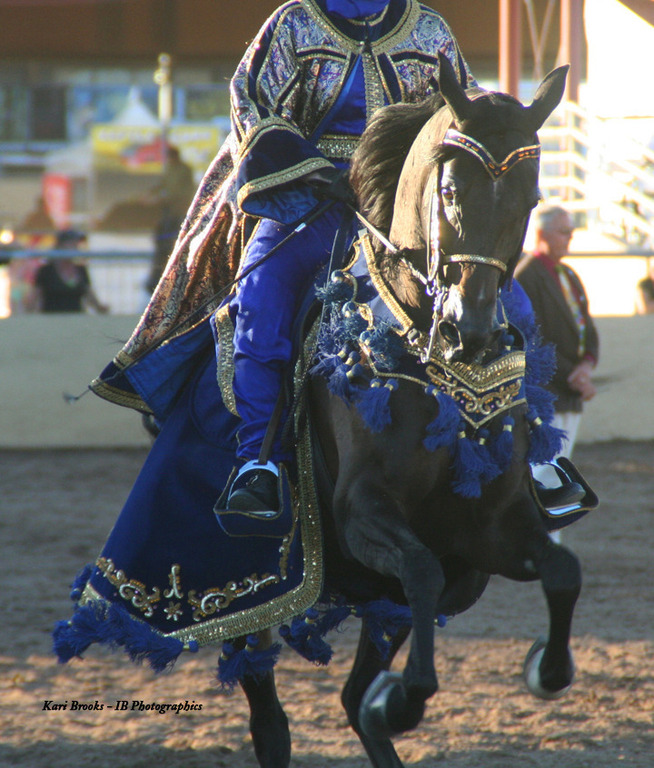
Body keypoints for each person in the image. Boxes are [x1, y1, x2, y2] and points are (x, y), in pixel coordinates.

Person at [516, 204, 599, 515]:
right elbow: (533, 337)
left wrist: (586, 365)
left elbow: (587, 329)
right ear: (542, 234)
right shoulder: (526, 275)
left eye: (571, 231)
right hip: (547, 394)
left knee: (561, 475)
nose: (570, 237)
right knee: (549, 478)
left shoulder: (568, 274)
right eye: (564, 232)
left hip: (570, 392)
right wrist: (574, 375)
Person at [145, 145, 197, 293]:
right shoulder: (169, 169)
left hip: (179, 209)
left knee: (174, 237)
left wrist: (165, 198)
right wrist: (151, 193)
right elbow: (162, 184)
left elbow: (183, 191)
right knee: (162, 240)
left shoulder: (184, 170)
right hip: (169, 209)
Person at [30, 229, 109, 314]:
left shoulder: (81, 270)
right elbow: (34, 298)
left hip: (76, 319)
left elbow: (89, 295)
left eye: (76, 244)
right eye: (71, 243)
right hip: (52, 319)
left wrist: (101, 308)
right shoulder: (46, 271)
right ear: (60, 246)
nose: (75, 247)